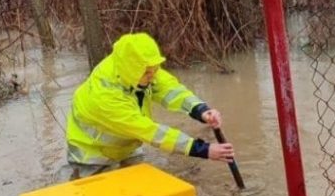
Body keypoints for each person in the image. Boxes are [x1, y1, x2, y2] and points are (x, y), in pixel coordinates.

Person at [65, 32, 235, 180]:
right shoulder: (105, 96)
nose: (153, 75)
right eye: (148, 72)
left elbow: (171, 90)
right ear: (132, 70)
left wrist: (201, 110)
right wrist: (203, 150)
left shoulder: (139, 67)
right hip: (92, 156)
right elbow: (151, 132)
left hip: (126, 144)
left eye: (154, 70)